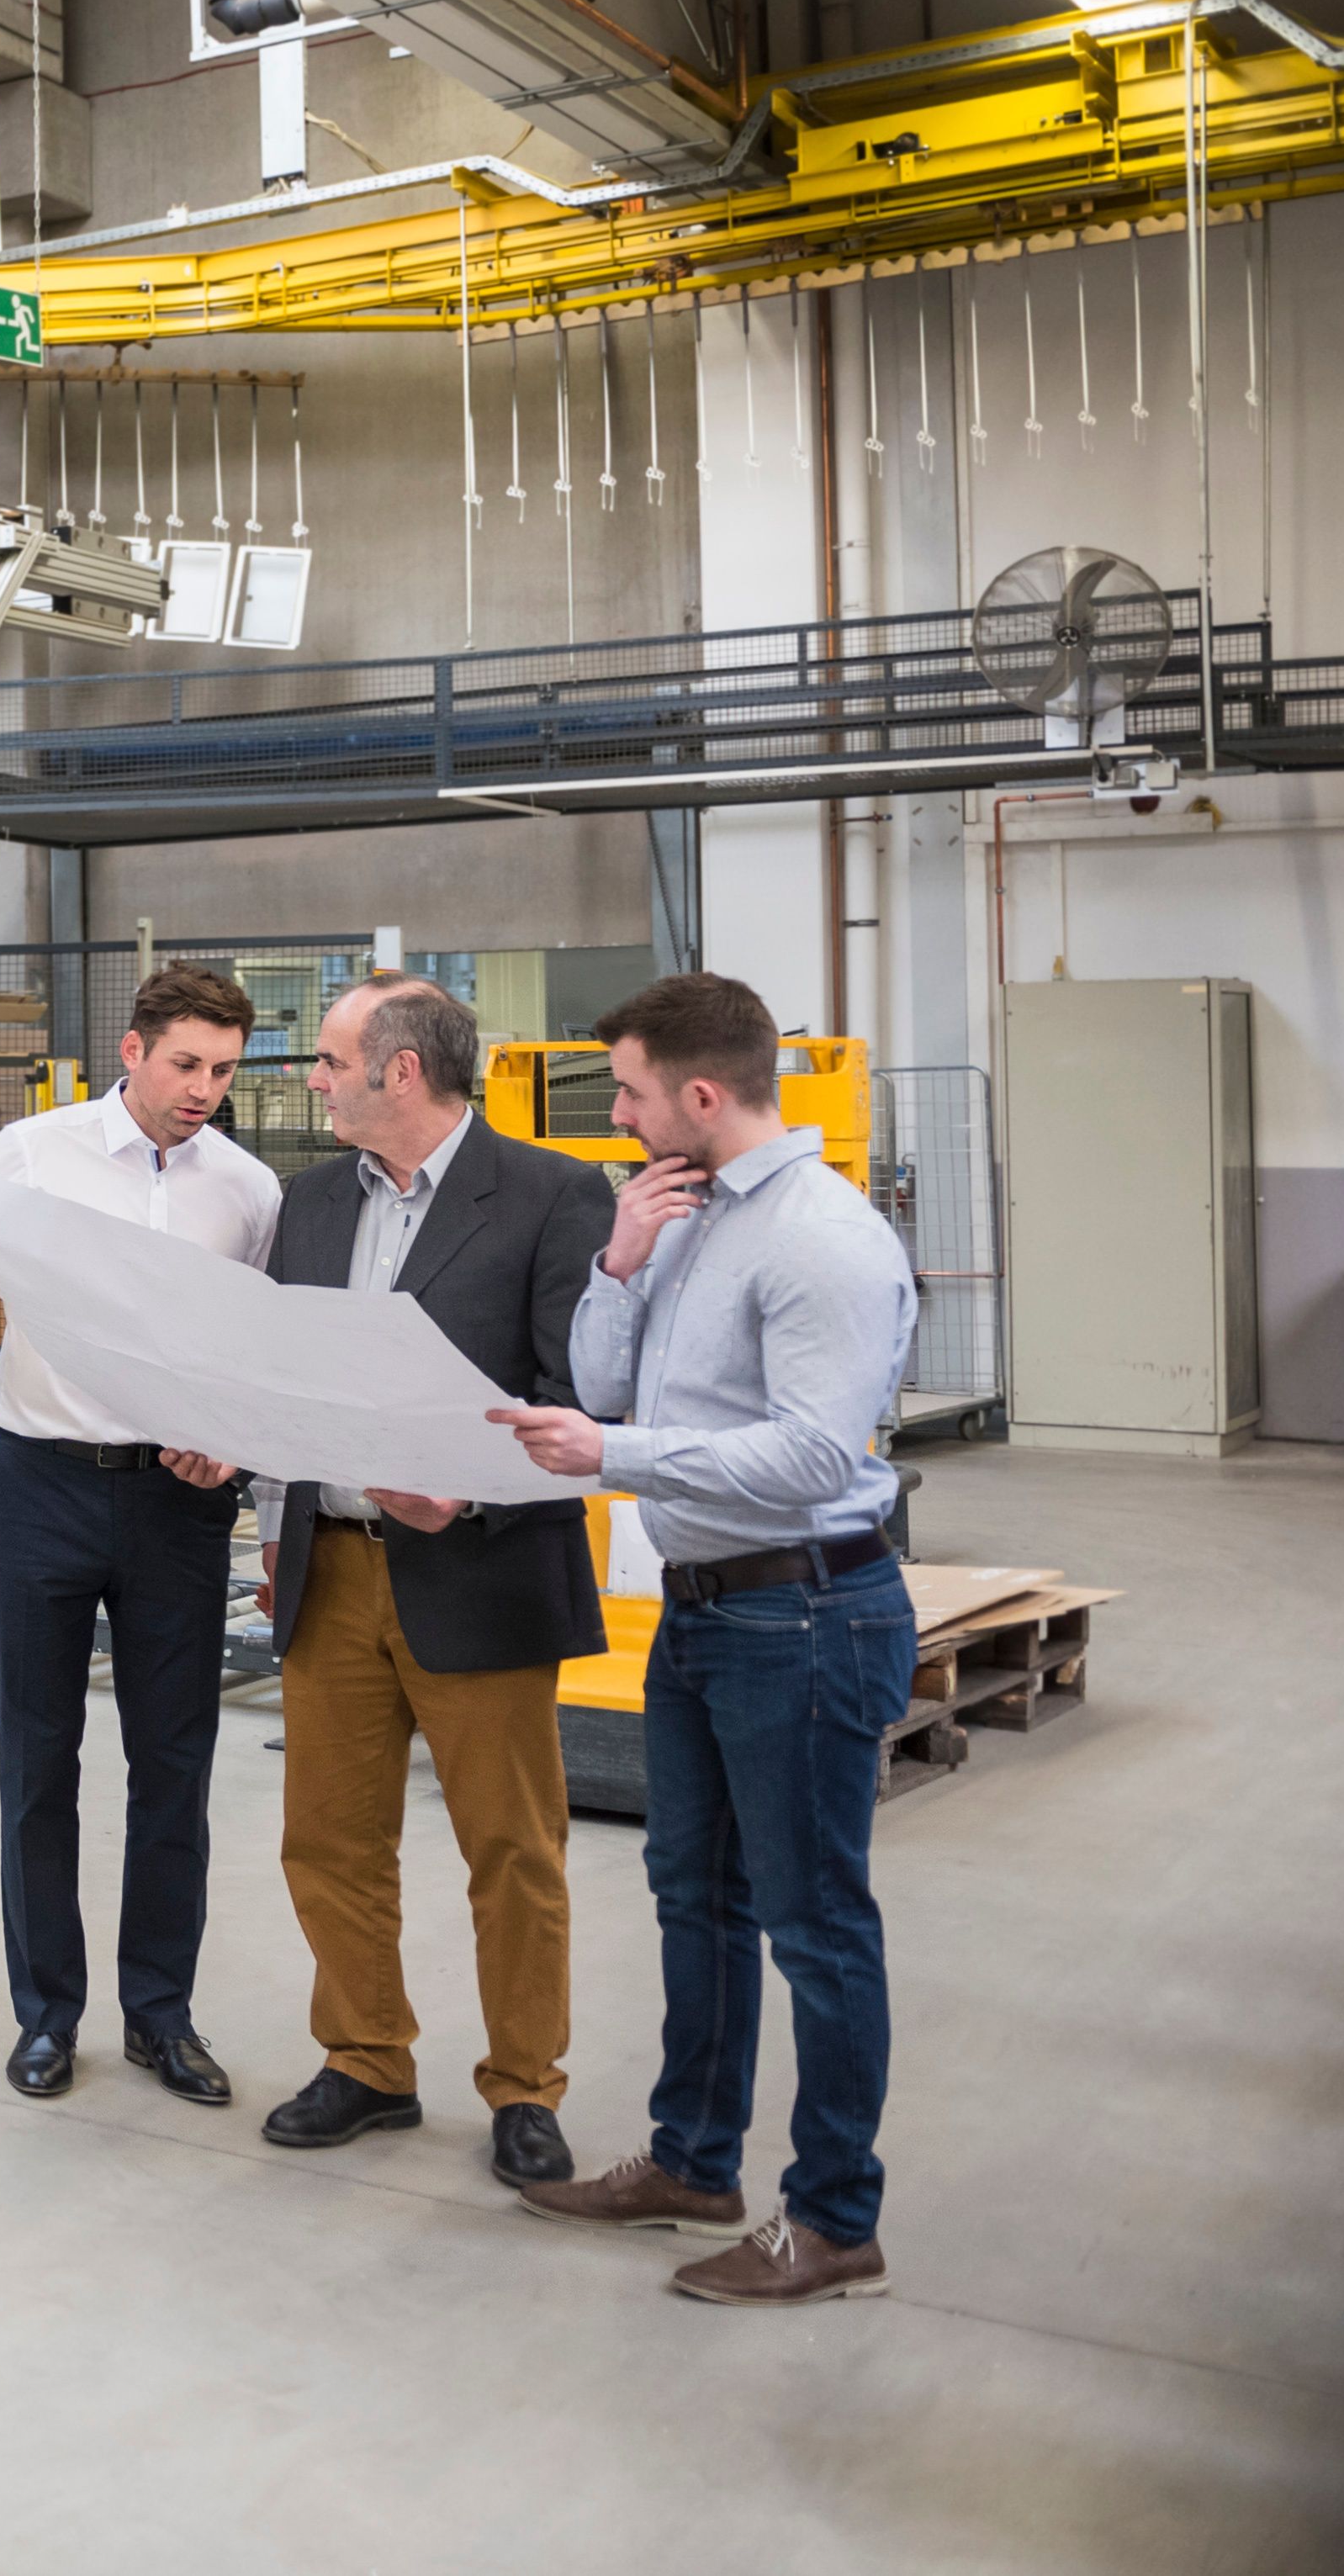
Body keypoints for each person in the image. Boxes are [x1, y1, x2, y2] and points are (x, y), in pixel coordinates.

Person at [490, 971, 918, 2310]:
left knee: (814, 1923)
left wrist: (611, 1458)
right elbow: (606, 1379)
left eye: (625, 1092)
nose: (614, 1114)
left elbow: (809, 1458)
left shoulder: (821, 1239)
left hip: (806, 1611)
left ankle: (836, 2220)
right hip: (706, 1607)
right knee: (697, 1894)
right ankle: (693, 2161)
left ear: (701, 1093)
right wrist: (619, 1262)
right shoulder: (684, 1213)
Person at [246, 975, 611, 2187]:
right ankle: (366, 2060)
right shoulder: (309, 1206)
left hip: (483, 1566)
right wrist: (272, 1518)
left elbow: (577, 1393)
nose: (314, 1079)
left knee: (512, 1848)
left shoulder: (553, 1194)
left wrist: (465, 1493)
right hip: (332, 1566)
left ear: (401, 1071)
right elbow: (287, 1381)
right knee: (328, 1839)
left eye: (330, 1059)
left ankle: (526, 2087)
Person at [0, 962, 280, 2106]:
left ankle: (162, 2017)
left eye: (223, 1070)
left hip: (177, 1503)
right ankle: (47, 2016)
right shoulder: (33, 1152)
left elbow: (251, 1353)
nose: (203, 1089)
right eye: (185, 1064)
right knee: (38, 1758)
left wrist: (233, 1447)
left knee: (175, 1765)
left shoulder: (248, 1193)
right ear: (133, 1051)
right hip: (41, 1488)